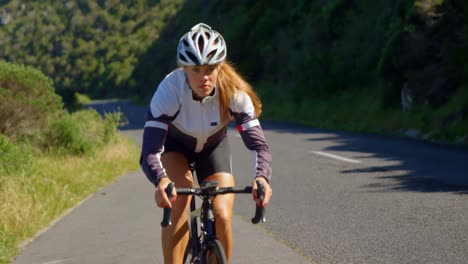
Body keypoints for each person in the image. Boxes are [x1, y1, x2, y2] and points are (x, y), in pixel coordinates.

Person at [140, 22, 272, 264]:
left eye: (211, 68)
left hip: (213, 149)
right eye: (196, 70)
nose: (204, 77)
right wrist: (161, 180)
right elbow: (149, 151)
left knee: (221, 215)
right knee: (179, 202)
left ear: (220, 67)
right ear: (183, 69)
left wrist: (261, 177)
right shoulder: (169, 91)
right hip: (175, 148)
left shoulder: (233, 94)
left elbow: (258, 146)